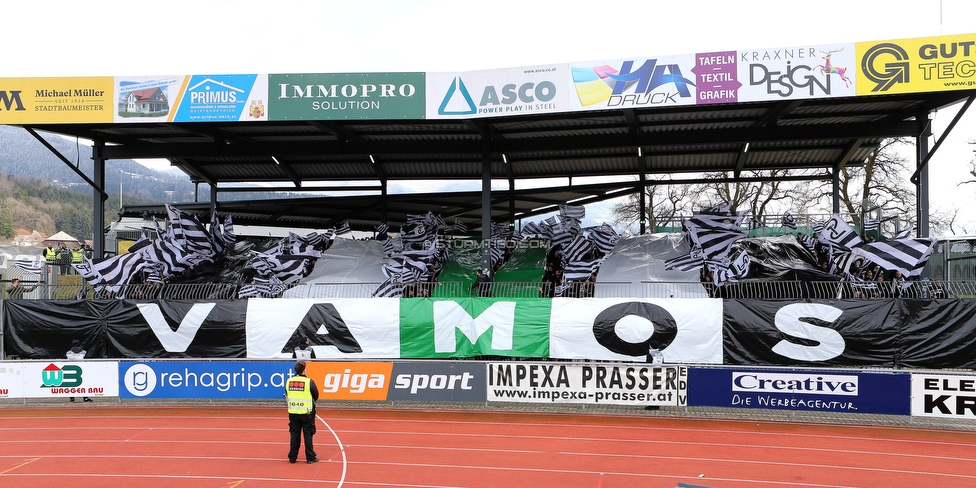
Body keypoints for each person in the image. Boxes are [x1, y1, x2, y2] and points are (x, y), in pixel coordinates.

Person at [286, 360, 319, 464]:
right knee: (308, 434)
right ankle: (310, 457)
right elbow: (316, 395)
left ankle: (292, 457)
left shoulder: (289, 381)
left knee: (294, 434)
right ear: (304, 370)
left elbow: (287, 393)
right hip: (307, 413)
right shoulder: (309, 381)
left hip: (293, 412)